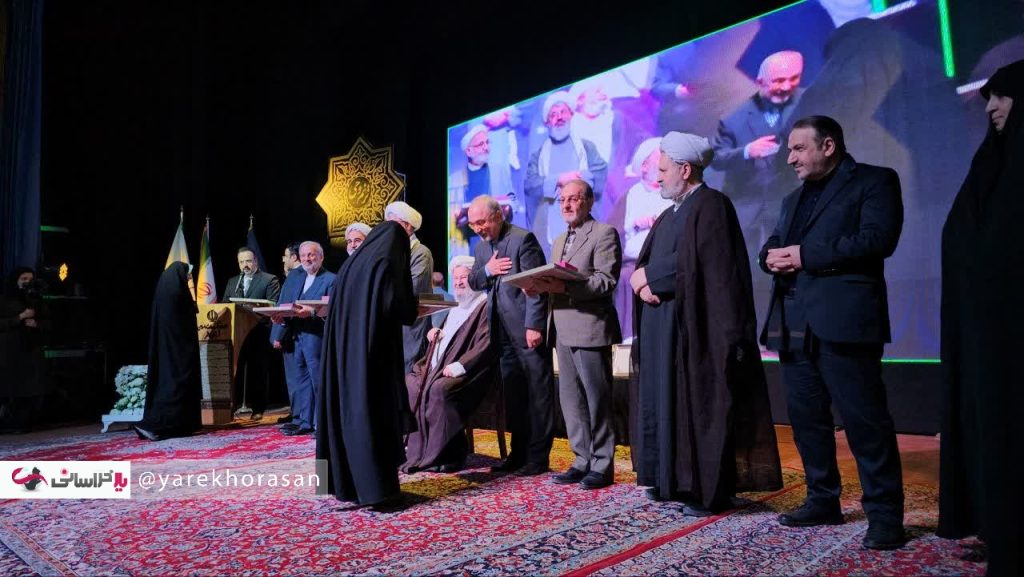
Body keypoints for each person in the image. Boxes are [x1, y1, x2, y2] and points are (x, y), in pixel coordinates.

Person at [760, 116, 905, 549]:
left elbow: (877, 240)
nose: (790, 159)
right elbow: (774, 242)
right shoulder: (792, 198)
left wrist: (804, 256)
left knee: (865, 423)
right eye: (788, 150)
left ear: (828, 146)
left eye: (798, 149)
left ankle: (885, 515)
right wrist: (768, 257)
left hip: (845, 323)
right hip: (794, 325)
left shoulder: (875, 181)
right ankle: (822, 499)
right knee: (807, 421)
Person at [629, 132, 782, 515]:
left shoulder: (712, 205)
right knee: (666, 401)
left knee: (699, 406)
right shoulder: (670, 213)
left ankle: (705, 491)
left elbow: (705, 264)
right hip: (664, 328)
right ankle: (670, 480)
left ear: (685, 169)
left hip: (697, 329)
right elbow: (652, 262)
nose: (658, 177)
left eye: (664, 170)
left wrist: (648, 278)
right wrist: (641, 281)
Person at [939, 60, 1024, 576]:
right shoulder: (994, 157)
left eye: (1001, 96)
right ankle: (998, 525)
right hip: (984, 331)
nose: (991, 107)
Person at [317, 221, 418, 506]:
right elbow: (399, 307)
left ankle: (342, 487)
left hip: (342, 355)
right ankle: (378, 492)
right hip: (371, 357)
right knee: (370, 415)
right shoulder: (384, 262)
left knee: (344, 412)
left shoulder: (351, 265)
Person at [531, 180, 622, 490]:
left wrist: (565, 287)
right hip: (561, 328)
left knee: (597, 399)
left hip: (589, 328)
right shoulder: (558, 240)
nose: (566, 205)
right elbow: (557, 282)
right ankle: (581, 460)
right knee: (571, 401)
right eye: (562, 200)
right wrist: (538, 286)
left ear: (589, 202)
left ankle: (602, 465)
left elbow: (606, 281)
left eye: (574, 199)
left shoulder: (604, 233)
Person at [467, 195, 554, 476]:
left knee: (538, 394)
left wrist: (535, 325)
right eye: (472, 224)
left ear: (497, 215)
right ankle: (518, 455)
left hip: (526, 329)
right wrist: (488, 270)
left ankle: (538, 458)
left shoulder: (522, 239)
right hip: (501, 333)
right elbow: (473, 280)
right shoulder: (481, 247)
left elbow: (537, 285)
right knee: (515, 396)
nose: (478, 228)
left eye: (481, 222)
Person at [712, 51, 804, 276]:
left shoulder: (810, 101)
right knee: (744, 268)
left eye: (794, 78)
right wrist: (746, 152)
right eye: (779, 81)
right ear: (760, 81)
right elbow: (715, 157)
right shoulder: (733, 118)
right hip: (748, 204)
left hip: (792, 201)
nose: (786, 86)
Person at [403, 255, 495, 474]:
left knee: (439, 389)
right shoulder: (456, 306)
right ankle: (419, 451)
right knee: (412, 382)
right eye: (456, 278)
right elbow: (450, 337)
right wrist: (435, 333)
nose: (459, 282)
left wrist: (459, 366)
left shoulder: (484, 304)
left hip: (472, 372)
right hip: (441, 365)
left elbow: (485, 345)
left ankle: (449, 454)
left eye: (464, 277)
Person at [525, 91, 608, 253]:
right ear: (547, 122)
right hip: (552, 229)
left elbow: (600, 174)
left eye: (563, 112)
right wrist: (558, 179)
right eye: (553, 114)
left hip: (585, 226)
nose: (559, 117)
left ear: (571, 115)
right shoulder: (538, 156)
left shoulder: (586, 148)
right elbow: (530, 185)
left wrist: (578, 181)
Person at [270, 241, 336, 436]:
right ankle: (304, 422)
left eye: (311, 255)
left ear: (321, 257)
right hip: (295, 336)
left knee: (319, 381)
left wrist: (313, 313)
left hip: (317, 338)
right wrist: (279, 320)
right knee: (300, 381)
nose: (307, 259)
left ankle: (322, 425)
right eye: (304, 255)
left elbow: (333, 310)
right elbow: (286, 302)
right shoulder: (296, 276)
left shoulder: (331, 279)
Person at [134, 262, 202, 441]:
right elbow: (183, 322)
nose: (189, 279)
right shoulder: (176, 294)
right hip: (178, 353)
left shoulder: (165, 293)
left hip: (167, 352)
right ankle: (154, 425)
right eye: (187, 276)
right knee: (175, 387)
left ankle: (178, 427)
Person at [618, 137, 674, 341]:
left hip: (663, 259)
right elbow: (622, 228)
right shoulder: (633, 193)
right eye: (659, 158)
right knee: (625, 277)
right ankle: (630, 336)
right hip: (634, 259)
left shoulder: (671, 192)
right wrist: (638, 222)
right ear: (644, 166)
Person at [222, 247, 282, 420]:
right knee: (236, 370)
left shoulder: (269, 279)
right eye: (241, 262)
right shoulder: (233, 281)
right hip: (237, 332)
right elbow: (225, 303)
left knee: (258, 370)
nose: (245, 265)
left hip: (259, 331)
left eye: (248, 261)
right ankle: (232, 407)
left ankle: (258, 409)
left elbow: (273, 304)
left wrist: (252, 308)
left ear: (255, 261)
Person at [385, 201, 434, 373]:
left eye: (394, 225)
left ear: (407, 226)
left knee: (409, 375)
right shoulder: (393, 253)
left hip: (412, 329)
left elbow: (412, 290)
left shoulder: (421, 253)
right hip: (394, 326)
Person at [0, 267, 48, 434]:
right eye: (24, 279)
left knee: (30, 388)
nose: (27, 282)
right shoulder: (4, 299)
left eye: (30, 279)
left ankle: (23, 423)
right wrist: (19, 318)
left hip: (30, 349)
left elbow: (48, 321)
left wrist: (36, 323)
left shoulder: (35, 299)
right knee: (9, 388)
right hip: (9, 351)